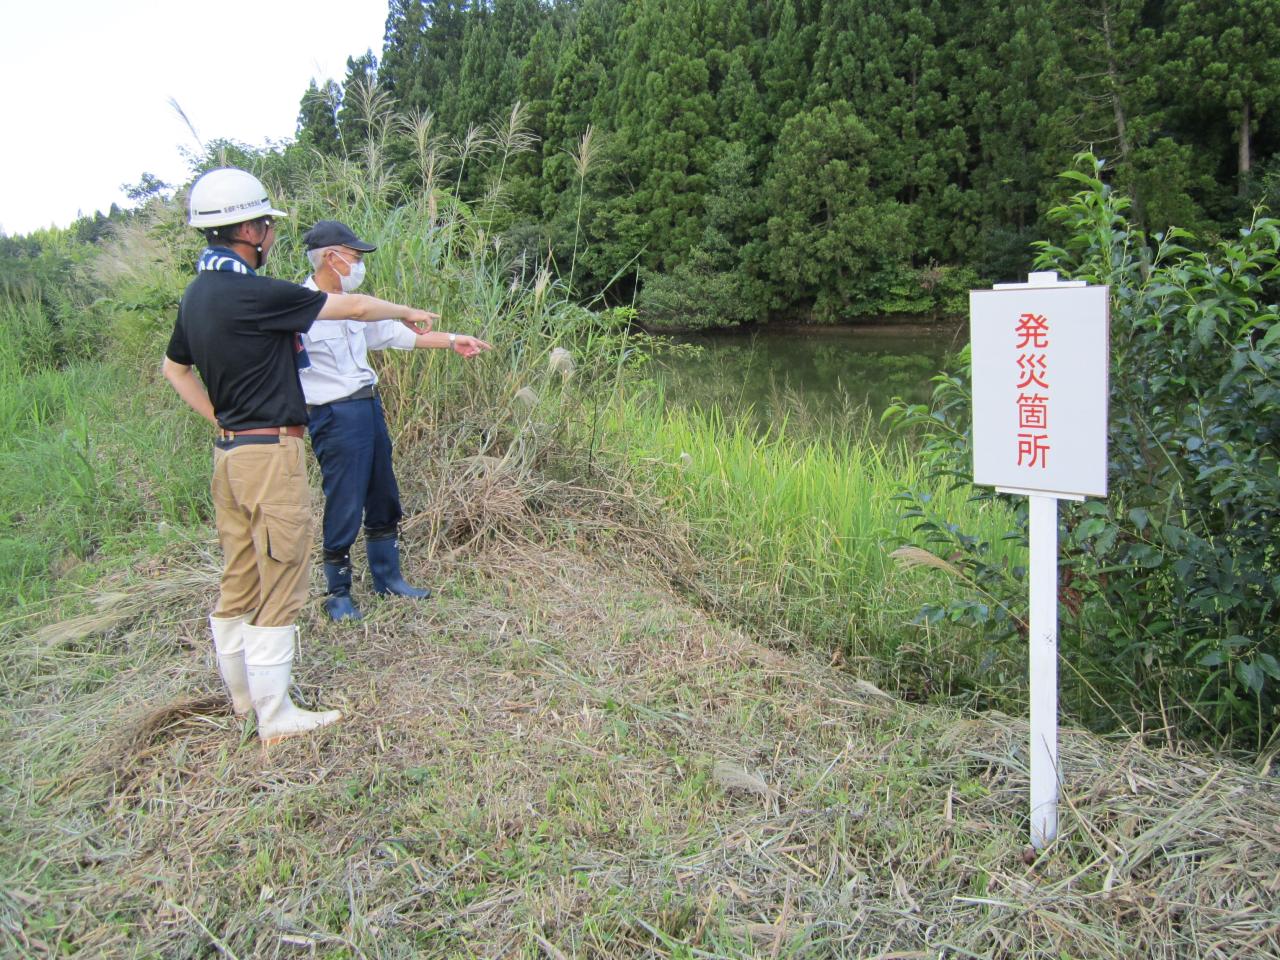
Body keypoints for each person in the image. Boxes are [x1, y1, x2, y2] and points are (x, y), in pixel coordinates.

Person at [162, 168, 438, 745]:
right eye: (264, 224)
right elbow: (357, 309)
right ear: (246, 229)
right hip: (268, 452)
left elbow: (174, 370)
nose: (268, 234)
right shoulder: (256, 293)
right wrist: (409, 309)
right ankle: (276, 714)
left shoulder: (198, 294)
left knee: (240, 573)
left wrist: (221, 420)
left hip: (230, 455)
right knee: (283, 569)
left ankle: (243, 699)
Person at [298, 220, 491, 621]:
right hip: (334, 413)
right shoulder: (302, 304)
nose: (359, 264)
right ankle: (338, 592)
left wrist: (455, 341)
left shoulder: (352, 307)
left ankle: (389, 578)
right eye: (354, 256)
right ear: (331, 257)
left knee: (383, 493)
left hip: (368, 406)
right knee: (345, 500)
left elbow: (397, 335)